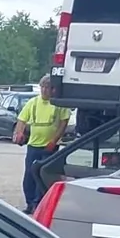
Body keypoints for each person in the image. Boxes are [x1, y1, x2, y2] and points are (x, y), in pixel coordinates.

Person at [14, 76, 73, 212]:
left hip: (49, 147)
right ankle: (30, 204)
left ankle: (38, 204)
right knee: (29, 176)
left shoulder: (58, 104)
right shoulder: (33, 102)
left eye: (48, 88)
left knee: (42, 176)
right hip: (33, 145)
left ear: (53, 89)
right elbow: (21, 120)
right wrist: (19, 133)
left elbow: (63, 123)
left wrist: (54, 140)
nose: (45, 90)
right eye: (43, 87)